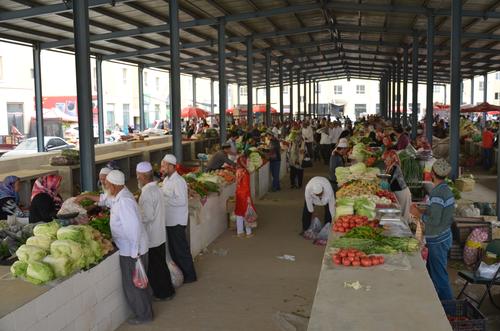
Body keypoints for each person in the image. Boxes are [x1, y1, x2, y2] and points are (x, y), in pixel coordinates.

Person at [106, 170, 152, 324]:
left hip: (132, 251)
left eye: (107, 185)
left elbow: (134, 228)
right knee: (139, 283)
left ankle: (144, 316)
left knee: (134, 285)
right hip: (134, 248)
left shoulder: (124, 202)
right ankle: (145, 312)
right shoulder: (122, 195)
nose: (106, 188)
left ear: (113, 185)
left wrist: (134, 252)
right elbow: (107, 200)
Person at [410, 159, 455, 301]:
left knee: (440, 276)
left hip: (438, 239)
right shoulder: (445, 189)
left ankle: (450, 309)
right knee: (432, 272)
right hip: (445, 236)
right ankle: (433, 300)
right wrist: (424, 208)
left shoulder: (437, 193)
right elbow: (439, 211)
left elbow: (435, 220)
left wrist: (419, 215)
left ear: (431, 174)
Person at [136, 162, 176, 301]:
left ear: (141, 176)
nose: (137, 178)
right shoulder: (157, 188)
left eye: (138, 176)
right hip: (159, 233)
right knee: (161, 265)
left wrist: (135, 214)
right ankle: (168, 291)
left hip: (152, 235)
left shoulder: (147, 193)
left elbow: (147, 216)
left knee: (155, 267)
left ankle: (162, 294)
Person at [161, 154, 197, 283]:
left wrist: (164, 200)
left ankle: (190, 276)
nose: (162, 168)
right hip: (169, 220)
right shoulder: (166, 180)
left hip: (177, 221)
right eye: (162, 165)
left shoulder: (178, 181)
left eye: (164, 165)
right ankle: (182, 275)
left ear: (172, 166)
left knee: (181, 250)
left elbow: (181, 201)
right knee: (174, 251)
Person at [383, 150, 412, 223]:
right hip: (397, 192)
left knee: (403, 214)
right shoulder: (389, 167)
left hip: (402, 193)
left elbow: (390, 180)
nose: (384, 161)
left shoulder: (395, 167)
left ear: (391, 159)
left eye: (385, 159)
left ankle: (407, 232)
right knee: (399, 212)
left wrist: (383, 184)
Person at [234, 156, 257, 238]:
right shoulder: (245, 172)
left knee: (239, 212)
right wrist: (248, 198)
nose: (248, 162)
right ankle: (248, 232)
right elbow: (246, 186)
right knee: (247, 213)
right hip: (245, 194)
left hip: (239, 194)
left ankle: (240, 232)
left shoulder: (237, 171)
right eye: (247, 161)